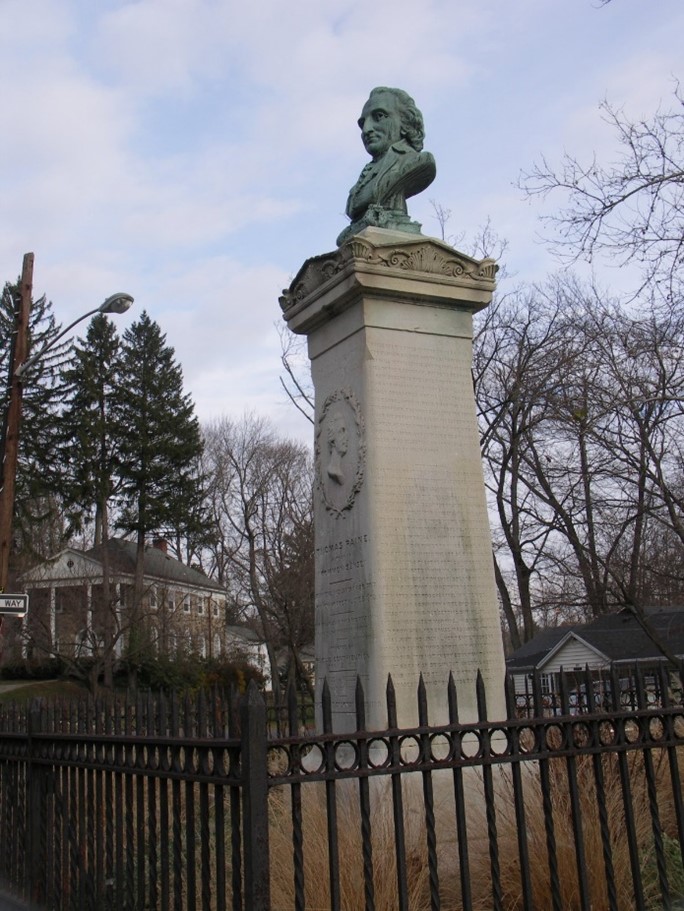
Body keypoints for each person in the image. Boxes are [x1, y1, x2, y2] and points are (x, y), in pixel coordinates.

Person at [336, 87, 436, 246]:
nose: (367, 129)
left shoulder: (417, 161)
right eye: (363, 124)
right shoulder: (367, 171)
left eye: (379, 116)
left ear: (405, 123)